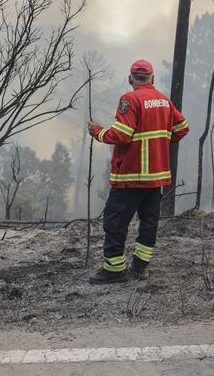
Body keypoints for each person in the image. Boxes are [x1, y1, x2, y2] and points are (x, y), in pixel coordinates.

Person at [86, 59, 189, 284]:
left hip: (130, 177)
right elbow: (182, 128)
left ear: (130, 79)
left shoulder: (129, 100)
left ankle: (114, 270)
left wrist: (98, 132)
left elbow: (121, 135)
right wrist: (162, 144)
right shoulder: (163, 101)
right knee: (149, 223)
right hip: (155, 180)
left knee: (115, 222)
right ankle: (141, 268)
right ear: (152, 78)